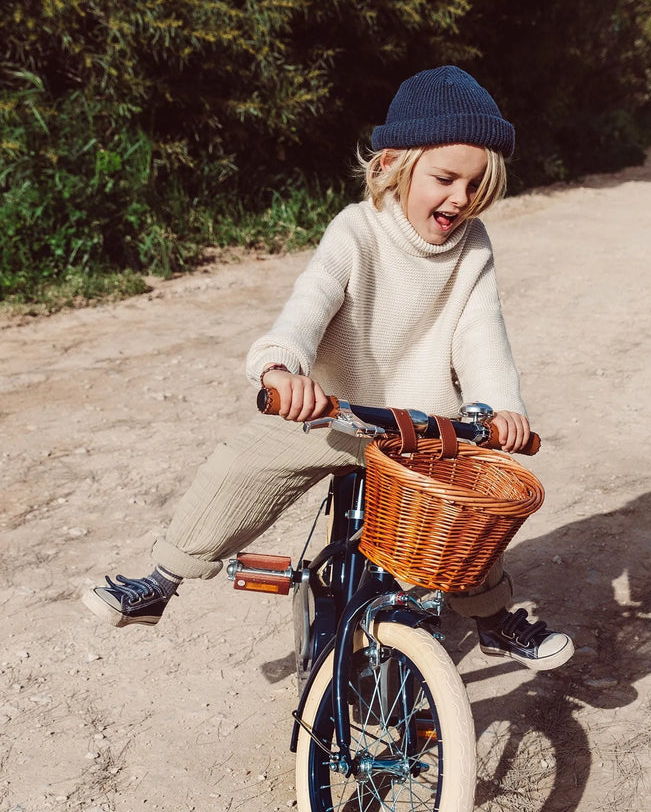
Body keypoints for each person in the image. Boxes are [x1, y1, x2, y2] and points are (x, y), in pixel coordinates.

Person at [82, 65, 574, 672]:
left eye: (475, 184)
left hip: (422, 430)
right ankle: (163, 578)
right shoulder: (357, 230)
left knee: (466, 503)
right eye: (444, 179)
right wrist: (282, 370)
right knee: (243, 463)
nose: (459, 199)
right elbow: (307, 307)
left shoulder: (472, 246)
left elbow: (482, 334)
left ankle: (493, 618)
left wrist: (502, 408)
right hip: (334, 411)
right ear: (395, 165)